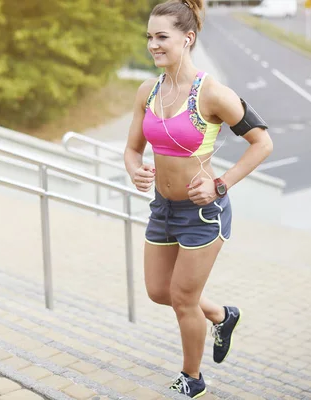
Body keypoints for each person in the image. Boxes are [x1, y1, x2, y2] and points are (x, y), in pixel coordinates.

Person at [123, 0, 274, 397]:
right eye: (150, 38)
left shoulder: (213, 94)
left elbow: (262, 143)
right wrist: (134, 168)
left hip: (203, 215)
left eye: (162, 37)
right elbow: (132, 149)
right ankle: (223, 316)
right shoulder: (147, 90)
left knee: (182, 299)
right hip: (163, 209)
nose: (153, 45)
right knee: (160, 291)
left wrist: (220, 184)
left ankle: (192, 378)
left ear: (187, 38)